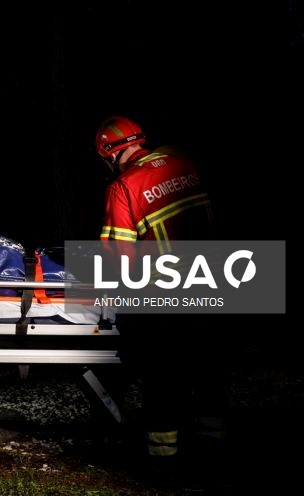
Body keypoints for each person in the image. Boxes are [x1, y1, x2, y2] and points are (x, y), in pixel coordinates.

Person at [94, 116, 226, 479]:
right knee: (209, 372)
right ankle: (213, 455)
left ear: (108, 154)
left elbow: (120, 259)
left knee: (163, 378)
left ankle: (164, 463)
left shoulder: (125, 186)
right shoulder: (183, 160)